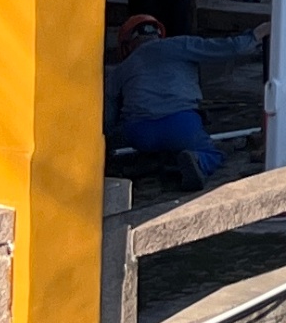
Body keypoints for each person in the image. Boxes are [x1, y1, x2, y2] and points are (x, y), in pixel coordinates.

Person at [108, 11, 262, 192]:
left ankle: (155, 161)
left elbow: (108, 115)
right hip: (181, 124)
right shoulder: (180, 45)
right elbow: (227, 48)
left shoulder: (120, 70)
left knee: (149, 145)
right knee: (212, 152)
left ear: (127, 44)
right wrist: (256, 36)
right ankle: (198, 160)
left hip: (139, 133)